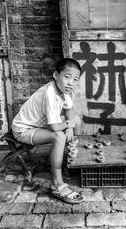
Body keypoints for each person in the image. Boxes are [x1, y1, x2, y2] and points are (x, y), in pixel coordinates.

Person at [12, 58, 83, 204]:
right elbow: (55, 127)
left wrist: (70, 125)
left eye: (75, 79)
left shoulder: (64, 91)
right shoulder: (50, 93)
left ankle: (65, 160)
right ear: (56, 75)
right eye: (67, 77)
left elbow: (69, 109)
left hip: (39, 125)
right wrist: (70, 123)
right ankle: (57, 183)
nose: (71, 83)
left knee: (74, 121)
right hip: (24, 129)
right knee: (59, 136)